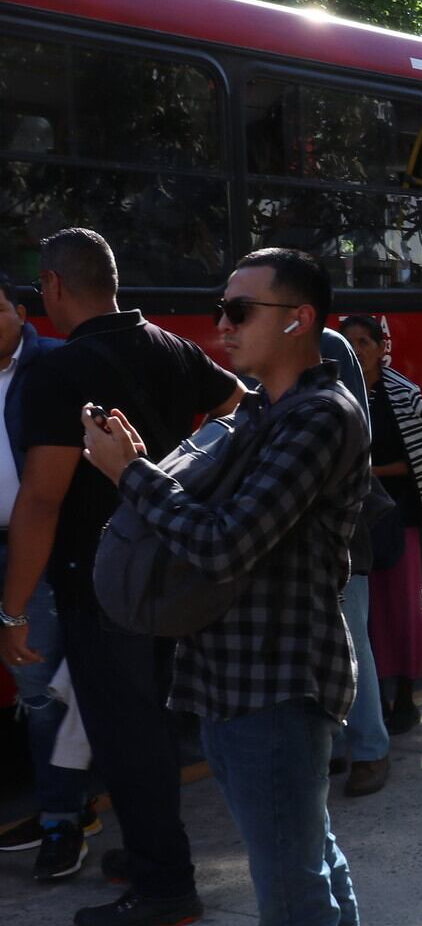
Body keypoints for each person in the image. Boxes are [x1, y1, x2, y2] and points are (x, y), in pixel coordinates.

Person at [85, 247, 370, 926]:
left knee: (293, 894)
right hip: (229, 681)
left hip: (273, 686)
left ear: (299, 320)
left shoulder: (320, 417)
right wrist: (148, 467)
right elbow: (214, 521)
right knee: (313, 868)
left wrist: (131, 474)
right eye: (221, 310)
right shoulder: (263, 412)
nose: (223, 325)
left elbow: (224, 544)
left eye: (240, 311)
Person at [3, 229, 243, 926]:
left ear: (51, 287)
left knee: (125, 735)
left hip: (101, 581)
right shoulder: (169, 345)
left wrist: (11, 611)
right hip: (170, 569)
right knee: (152, 726)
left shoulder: (59, 370)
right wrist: (191, 476)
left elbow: (43, 497)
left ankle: (166, 888)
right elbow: (236, 405)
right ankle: (150, 852)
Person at [0, 273, 102, 882]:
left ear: (20, 311)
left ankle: (63, 820)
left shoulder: (55, 368)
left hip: (33, 550)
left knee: (40, 693)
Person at [338, 317, 422, 736]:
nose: (359, 349)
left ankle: (404, 694)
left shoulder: (404, 395)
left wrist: (369, 471)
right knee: (364, 615)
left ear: (382, 346)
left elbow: (421, 464)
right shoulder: (334, 393)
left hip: (398, 516)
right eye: (350, 343)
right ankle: (371, 701)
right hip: (349, 521)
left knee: (402, 610)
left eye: (365, 341)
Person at [315, 325, 386, 798]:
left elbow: (354, 439)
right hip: (294, 532)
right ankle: (334, 745)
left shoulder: (328, 347)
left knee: (351, 642)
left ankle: (370, 750)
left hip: (339, 528)